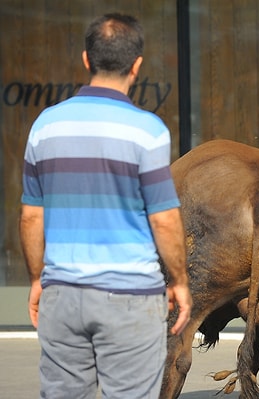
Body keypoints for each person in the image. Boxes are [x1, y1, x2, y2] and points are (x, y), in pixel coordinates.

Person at [19, 13, 192, 398]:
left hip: (62, 294)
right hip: (130, 298)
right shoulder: (147, 130)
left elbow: (31, 214)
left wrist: (36, 278)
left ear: (86, 59)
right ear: (137, 65)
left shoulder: (45, 125)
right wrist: (179, 281)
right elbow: (163, 220)